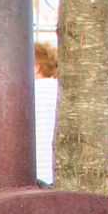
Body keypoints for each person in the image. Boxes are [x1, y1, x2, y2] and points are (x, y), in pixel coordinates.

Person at [33, 42, 59, 185]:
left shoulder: (26, 94)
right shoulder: (62, 92)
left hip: (35, 175)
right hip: (57, 174)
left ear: (36, 68)